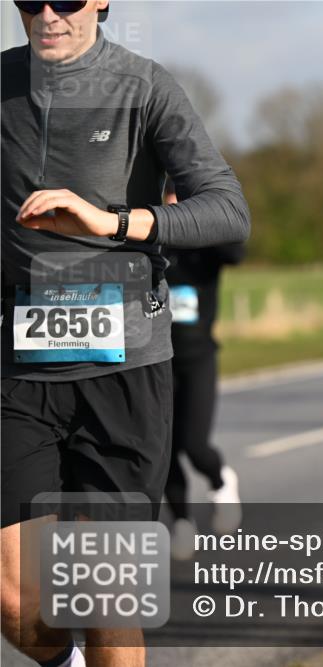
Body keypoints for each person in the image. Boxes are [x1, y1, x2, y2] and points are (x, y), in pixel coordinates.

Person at [1, 3, 250, 666]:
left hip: (124, 372)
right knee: (16, 601)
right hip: (19, 372)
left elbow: (228, 209)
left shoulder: (145, 85)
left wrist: (110, 223)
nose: (47, 14)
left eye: (66, 0)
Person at [162, 181, 245, 560]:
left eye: (183, 199)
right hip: (157, 361)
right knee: (164, 451)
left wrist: (205, 219)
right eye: (169, 198)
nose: (175, 205)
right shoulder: (156, 243)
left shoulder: (206, 248)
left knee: (195, 446)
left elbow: (236, 252)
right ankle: (181, 521)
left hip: (198, 359)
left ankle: (220, 479)